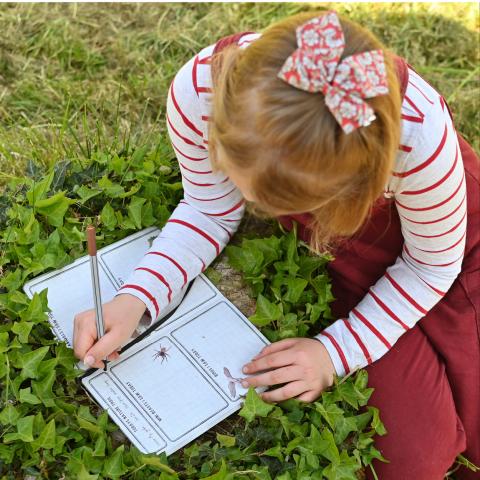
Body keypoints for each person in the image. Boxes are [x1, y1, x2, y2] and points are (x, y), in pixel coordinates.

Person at [73, 10, 479, 479]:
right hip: (344, 253)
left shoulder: (418, 138)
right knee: (412, 459)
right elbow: (208, 209)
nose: (247, 203)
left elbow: (429, 268)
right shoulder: (200, 93)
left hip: (449, 251)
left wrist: (334, 353)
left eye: (263, 201)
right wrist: (137, 298)